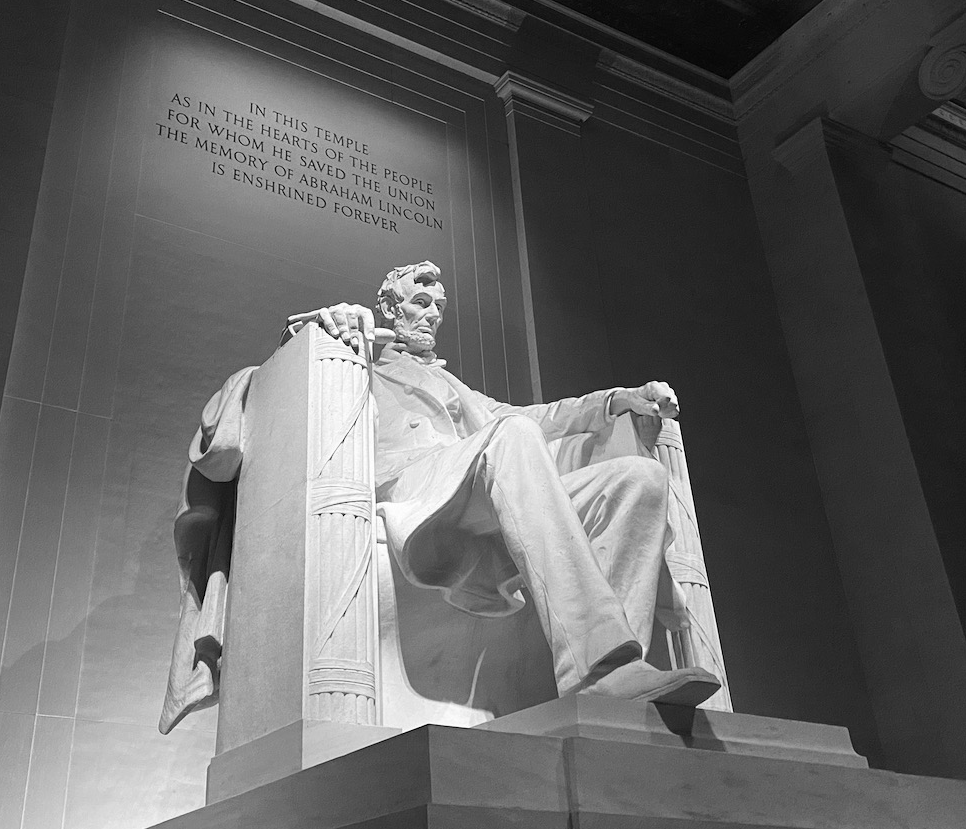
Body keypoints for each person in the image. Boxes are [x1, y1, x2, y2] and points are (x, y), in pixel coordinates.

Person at [286, 259, 719, 706]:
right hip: (415, 487)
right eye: (420, 302)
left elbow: (541, 417)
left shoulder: (455, 386)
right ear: (390, 310)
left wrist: (616, 400)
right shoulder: (359, 361)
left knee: (639, 478)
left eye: (439, 306)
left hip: (475, 485)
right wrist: (322, 325)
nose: (433, 314)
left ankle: (614, 681)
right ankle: (601, 665)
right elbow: (291, 363)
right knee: (513, 435)